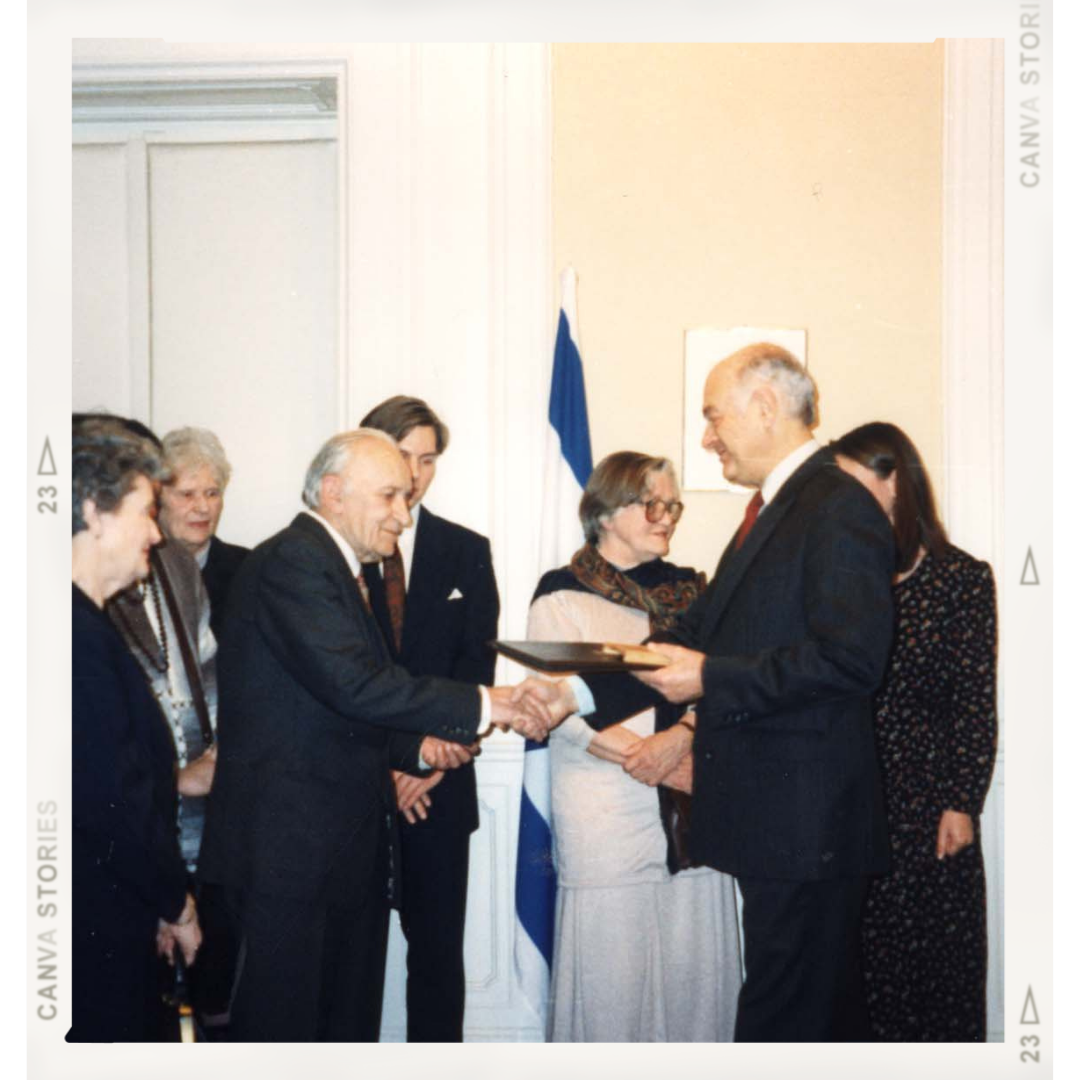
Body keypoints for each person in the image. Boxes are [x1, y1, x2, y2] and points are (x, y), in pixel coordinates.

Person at [517, 343, 896, 1042]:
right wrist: (569, 690)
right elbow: (692, 633)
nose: (707, 437)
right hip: (782, 825)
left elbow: (851, 660)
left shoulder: (836, 505)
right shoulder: (777, 509)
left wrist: (708, 678)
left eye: (715, 415)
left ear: (765, 407)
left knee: (788, 1022)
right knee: (809, 1018)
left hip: (806, 827)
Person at [197, 428, 549, 1042]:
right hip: (289, 861)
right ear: (333, 493)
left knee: (343, 1030)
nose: (404, 516)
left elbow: (330, 703)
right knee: (286, 1033)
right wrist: (486, 701)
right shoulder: (294, 562)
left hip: (333, 855)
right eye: (389, 496)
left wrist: (416, 748)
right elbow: (353, 684)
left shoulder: (333, 566)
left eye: (405, 498)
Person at [528, 450, 741, 1042]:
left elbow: (719, 684)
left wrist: (682, 741)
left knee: (696, 971)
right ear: (606, 512)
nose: (667, 517)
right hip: (604, 807)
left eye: (673, 505)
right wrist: (651, 762)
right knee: (612, 978)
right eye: (652, 504)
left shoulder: (695, 593)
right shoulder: (561, 595)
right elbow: (558, 708)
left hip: (692, 797)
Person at [832, 421, 997, 1042]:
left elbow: (973, 700)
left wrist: (961, 800)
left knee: (935, 969)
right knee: (860, 969)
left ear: (895, 480)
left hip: (931, 803)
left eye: (855, 483)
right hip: (852, 795)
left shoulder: (962, 579)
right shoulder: (845, 575)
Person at [359, 396, 499, 1042]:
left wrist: (428, 764)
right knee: (351, 963)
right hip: (359, 787)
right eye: (402, 457)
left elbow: (474, 675)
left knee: (438, 960)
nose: (415, 475)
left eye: (428, 459)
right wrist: (393, 763)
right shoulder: (341, 550)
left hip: (439, 789)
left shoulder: (466, 550)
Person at [70, 416, 201, 1042]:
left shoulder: (79, 624)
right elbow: (112, 801)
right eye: (147, 511)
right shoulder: (75, 638)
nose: (156, 531)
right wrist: (175, 902)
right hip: (87, 937)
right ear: (94, 513)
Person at [106, 419, 232, 1039]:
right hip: (132, 817)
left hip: (201, 813)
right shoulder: (94, 582)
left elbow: (210, 675)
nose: (195, 508)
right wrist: (173, 777)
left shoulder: (180, 566)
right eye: (179, 494)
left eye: (211, 493)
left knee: (206, 976)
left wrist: (218, 756)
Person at [159, 426, 249, 639]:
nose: (203, 508)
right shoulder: (132, 571)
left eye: (212, 493)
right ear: (156, 499)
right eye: (187, 494)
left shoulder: (247, 569)